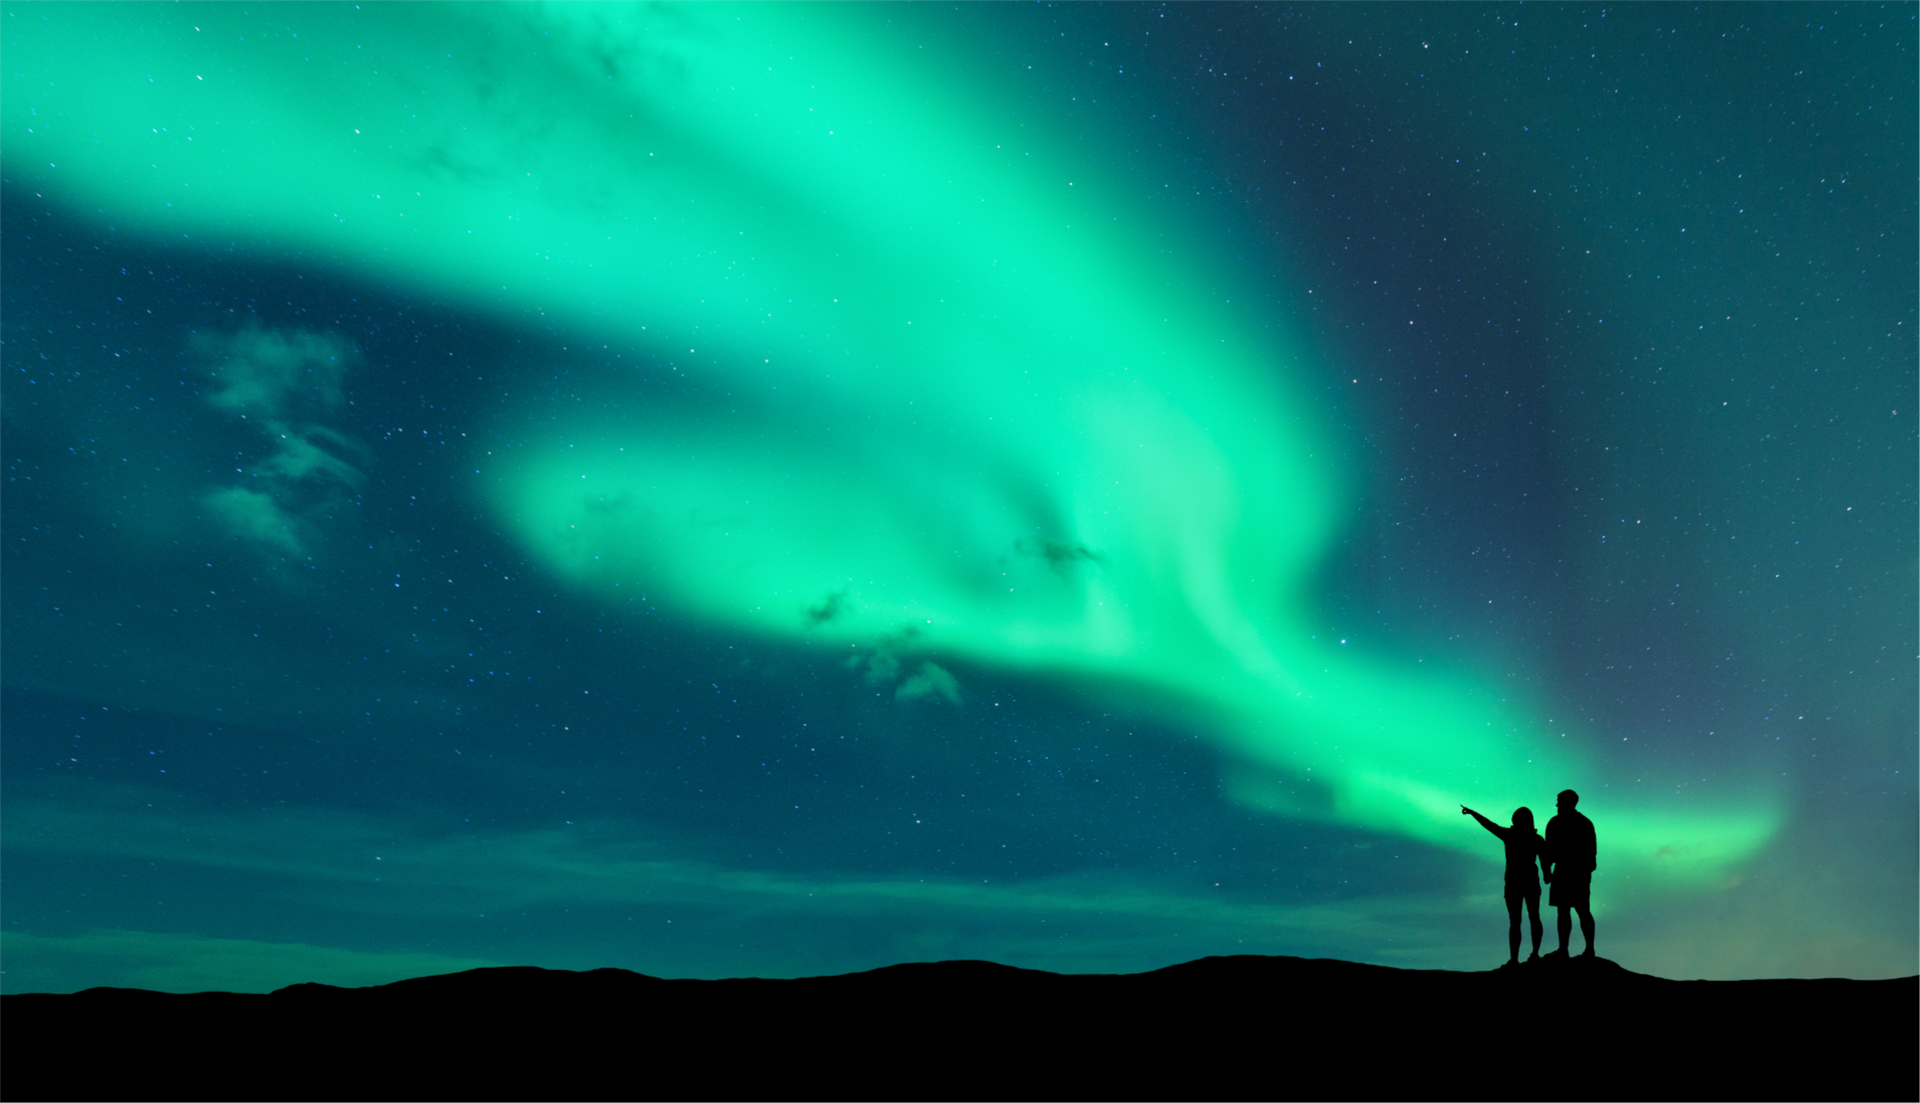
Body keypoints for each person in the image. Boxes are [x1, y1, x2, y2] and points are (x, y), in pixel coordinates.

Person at [1461, 803, 1546, 966]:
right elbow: (1545, 860)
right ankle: (1532, 954)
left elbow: (1489, 825)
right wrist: (1547, 874)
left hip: (1515, 882)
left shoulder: (1511, 835)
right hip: (1528, 882)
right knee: (1532, 917)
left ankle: (1516, 958)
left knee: (1517, 921)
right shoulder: (1536, 839)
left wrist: (1473, 813)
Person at [1542, 788, 1597, 958]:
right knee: (1570, 911)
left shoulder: (1559, 823)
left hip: (1572, 871)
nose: (1557, 804)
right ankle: (1570, 950)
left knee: (1576, 911)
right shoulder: (1582, 822)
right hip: (1572, 872)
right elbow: (1548, 851)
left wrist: (1547, 870)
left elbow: (1548, 851)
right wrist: (1547, 870)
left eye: (1560, 801)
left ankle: (1580, 949)